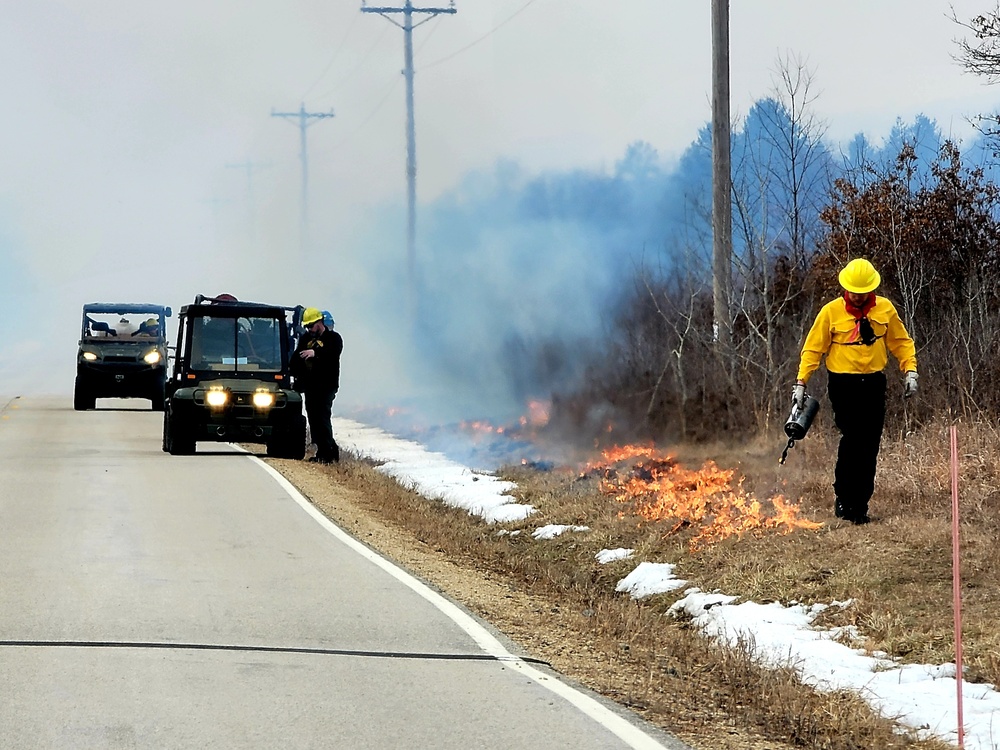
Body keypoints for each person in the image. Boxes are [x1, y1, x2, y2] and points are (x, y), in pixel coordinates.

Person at [792, 258, 918, 525]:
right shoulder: (830, 312)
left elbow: (901, 342)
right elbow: (813, 349)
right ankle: (843, 498)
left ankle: (860, 506)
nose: (858, 297)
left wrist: (910, 371)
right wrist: (801, 383)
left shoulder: (884, 310)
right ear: (845, 289)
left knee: (870, 443)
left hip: (873, 383)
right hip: (843, 384)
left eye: (862, 293)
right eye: (853, 293)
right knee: (853, 438)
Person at [290, 306, 344, 464]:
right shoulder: (306, 339)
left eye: (311, 326)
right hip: (310, 386)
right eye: (306, 327)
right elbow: (296, 357)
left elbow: (333, 354)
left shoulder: (333, 338)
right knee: (313, 418)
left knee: (322, 417)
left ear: (319, 323)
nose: (309, 330)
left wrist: (316, 354)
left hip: (326, 386)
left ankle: (328, 454)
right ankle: (325, 451)